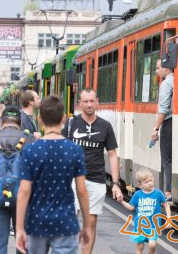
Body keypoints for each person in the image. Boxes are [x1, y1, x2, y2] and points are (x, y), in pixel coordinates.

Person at [16, 95, 90, 254]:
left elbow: (24, 191)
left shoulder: (30, 150)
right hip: (66, 223)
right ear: (63, 118)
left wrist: (19, 228)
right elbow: (82, 190)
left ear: (40, 120)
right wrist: (87, 226)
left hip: (36, 222)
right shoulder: (74, 150)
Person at [62, 88, 123, 254]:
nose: (89, 105)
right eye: (85, 101)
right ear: (79, 103)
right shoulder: (70, 124)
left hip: (96, 180)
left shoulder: (105, 126)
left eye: (92, 101)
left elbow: (112, 155)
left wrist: (116, 184)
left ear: (97, 102)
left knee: (90, 223)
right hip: (72, 180)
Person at [0, 105, 35, 254]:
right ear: (20, 122)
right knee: (24, 243)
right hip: (24, 197)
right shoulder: (30, 140)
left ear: (1, 122)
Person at [120, 168, 171, 254]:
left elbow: (166, 205)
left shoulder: (158, 193)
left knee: (152, 245)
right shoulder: (138, 194)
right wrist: (122, 201)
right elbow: (131, 208)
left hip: (153, 227)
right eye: (146, 182)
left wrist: (169, 219)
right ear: (140, 185)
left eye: (151, 180)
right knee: (140, 247)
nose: (150, 183)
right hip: (140, 226)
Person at [151, 58, 174, 202]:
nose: (156, 71)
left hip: (168, 123)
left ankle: (168, 191)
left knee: (167, 159)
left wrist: (155, 129)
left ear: (166, 69)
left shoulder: (166, 83)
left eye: (158, 68)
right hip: (177, 122)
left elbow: (163, 108)